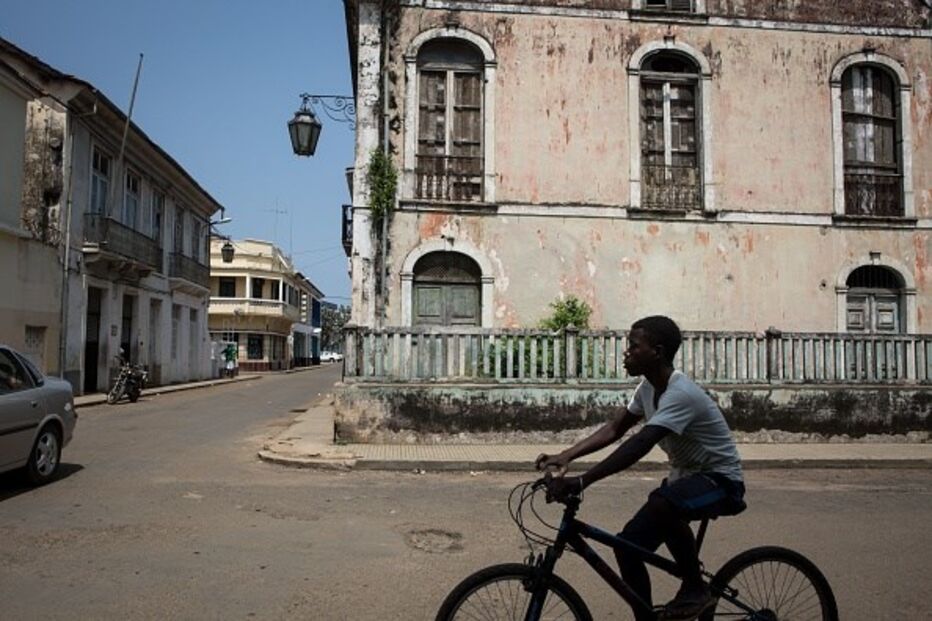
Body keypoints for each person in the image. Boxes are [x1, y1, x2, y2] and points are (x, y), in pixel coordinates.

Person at [537, 315, 745, 621]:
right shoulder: (648, 388)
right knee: (627, 546)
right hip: (685, 480)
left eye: (634, 346)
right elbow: (615, 429)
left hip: (721, 482)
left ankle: (696, 588)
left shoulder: (680, 393)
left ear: (657, 352)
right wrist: (567, 455)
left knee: (663, 503)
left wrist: (583, 481)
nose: (626, 352)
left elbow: (641, 443)